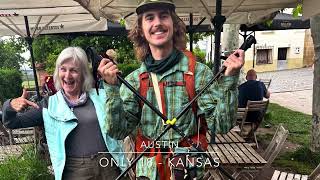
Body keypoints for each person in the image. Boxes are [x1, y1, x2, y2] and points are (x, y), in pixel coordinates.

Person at [98, 0, 244, 179]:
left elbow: (221, 126)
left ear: (174, 25)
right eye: (149, 18)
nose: (157, 23)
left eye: (164, 16)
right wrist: (112, 89)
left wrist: (230, 78)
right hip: (148, 172)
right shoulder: (134, 81)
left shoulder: (198, 74)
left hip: (188, 171)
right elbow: (117, 132)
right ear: (141, 31)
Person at [2, 47, 128, 180]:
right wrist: (9, 105)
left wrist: (113, 85)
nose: (67, 76)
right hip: (75, 172)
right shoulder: (49, 105)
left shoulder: (101, 95)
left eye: (74, 70)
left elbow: (122, 122)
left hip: (110, 167)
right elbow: (12, 122)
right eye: (63, 69)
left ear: (84, 74)